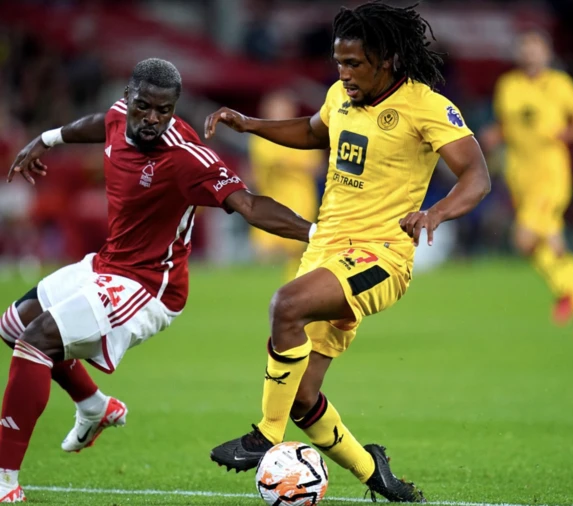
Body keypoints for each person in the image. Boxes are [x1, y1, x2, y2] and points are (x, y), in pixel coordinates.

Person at [205, 2, 491, 502]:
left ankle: (265, 437)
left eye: (354, 63)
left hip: (380, 257)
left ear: (388, 59)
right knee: (303, 397)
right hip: (325, 249)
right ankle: (376, 475)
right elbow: (315, 132)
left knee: (285, 305)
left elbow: (477, 175)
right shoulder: (341, 95)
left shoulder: (426, 105)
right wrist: (250, 124)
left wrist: (436, 213)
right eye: (339, 63)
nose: (344, 73)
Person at [0, 58, 313, 503]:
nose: (152, 119)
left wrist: (318, 232)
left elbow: (249, 205)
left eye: (163, 111)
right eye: (143, 107)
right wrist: (46, 139)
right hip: (108, 264)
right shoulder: (116, 118)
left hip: (149, 287)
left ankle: (4, 482)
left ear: (173, 108)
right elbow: (99, 125)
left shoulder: (187, 156)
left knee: (35, 340)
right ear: (128, 98)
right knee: (11, 326)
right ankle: (94, 405)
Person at [480, 29, 573, 339]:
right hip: (520, 175)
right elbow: (510, 124)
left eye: (535, 48)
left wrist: (567, 135)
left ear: (546, 53)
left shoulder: (560, 85)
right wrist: (497, 134)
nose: (529, 54)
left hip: (550, 175)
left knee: (523, 238)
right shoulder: (508, 86)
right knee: (551, 245)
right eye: (525, 48)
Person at [248, 90, 324, 280]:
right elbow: (259, 166)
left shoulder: (302, 134)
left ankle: (291, 284)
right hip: (269, 198)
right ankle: (263, 289)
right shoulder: (261, 137)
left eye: (282, 109)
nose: (278, 113)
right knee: (264, 251)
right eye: (274, 109)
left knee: (294, 249)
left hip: (299, 197)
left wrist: (287, 164)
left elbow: (315, 165)